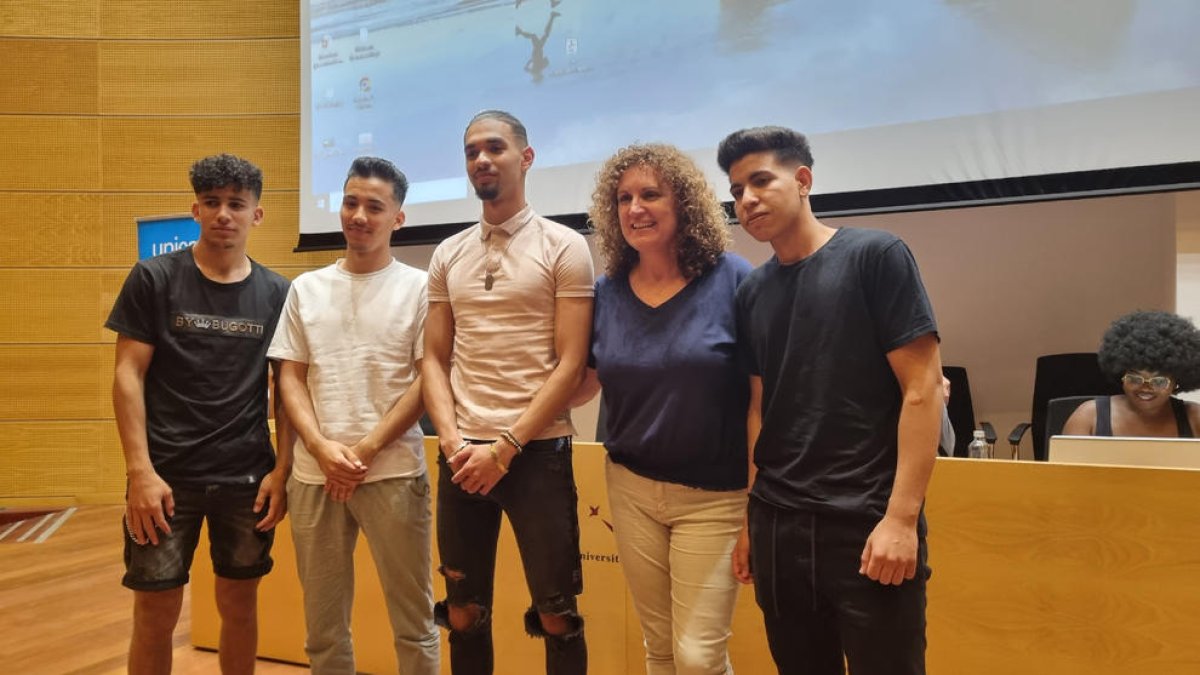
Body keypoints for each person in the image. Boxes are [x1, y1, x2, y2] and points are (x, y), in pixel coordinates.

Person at [717, 126, 942, 675]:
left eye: (760, 180)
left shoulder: (875, 255)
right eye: (737, 189)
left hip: (864, 524)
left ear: (803, 180)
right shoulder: (753, 291)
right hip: (778, 526)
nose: (747, 198)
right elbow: (758, 409)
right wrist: (751, 520)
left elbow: (923, 389)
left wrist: (901, 520)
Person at [107, 153, 293, 675]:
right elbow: (127, 376)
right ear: (196, 209)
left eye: (236, 203)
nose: (223, 214)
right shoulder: (153, 278)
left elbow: (287, 391)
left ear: (257, 214)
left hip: (246, 478)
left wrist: (282, 470)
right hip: (164, 480)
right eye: (212, 203)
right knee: (156, 610)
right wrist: (139, 471)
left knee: (239, 606)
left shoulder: (279, 293)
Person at [423, 110, 594, 675]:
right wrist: (452, 445)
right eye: (471, 150)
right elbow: (434, 359)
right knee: (463, 610)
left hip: (537, 451)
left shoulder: (565, 246)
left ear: (525, 157)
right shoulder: (447, 254)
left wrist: (506, 447)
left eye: (494, 147)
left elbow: (571, 365)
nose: (481, 159)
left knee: (556, 614)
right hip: (461, 456)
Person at [572, 143, 753, 674]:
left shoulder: (734, 280)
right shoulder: (605, 293)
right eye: (624, 198)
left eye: (651, 194)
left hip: (716, 496)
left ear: (685, 204)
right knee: (660, 647)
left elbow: (767, 395)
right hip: (631, 490)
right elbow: (583, 381)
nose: (635, 208)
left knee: (698, 656)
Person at [268, 157, 439, 674]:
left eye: (374, 206)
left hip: (391, 474)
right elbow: (289, 377)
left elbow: (427, 380)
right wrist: (321, 449)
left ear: (397, 219)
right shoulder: (306, 288)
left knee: (414, 627)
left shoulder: (421, 286)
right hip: (312, 477)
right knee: (322, 633)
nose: (359, 215)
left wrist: (361, 453)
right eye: (350, 202)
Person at [1063, 310, 1200, 437]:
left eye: (1158, 381)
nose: (1146, 388)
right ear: (1122, 375)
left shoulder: (1195, 418)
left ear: (1177, 381)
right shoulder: (1088, 417)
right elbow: (1064, 464)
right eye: (1135, 379)